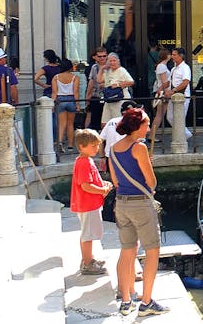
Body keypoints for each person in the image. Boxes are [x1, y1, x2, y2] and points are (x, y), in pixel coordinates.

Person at [110, 108, 169, 316]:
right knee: (152, 251)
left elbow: (116, 182)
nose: (149, 127)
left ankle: (126, 301)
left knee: (127, 251)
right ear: (137, 126)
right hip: (141, 204)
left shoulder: (114, 148)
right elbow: (152, 181)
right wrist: (148, 173)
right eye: (146, 124)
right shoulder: (139, 147)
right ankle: (146, 302)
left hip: (122, 204)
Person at [70, 128, 113, 275]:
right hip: (87, 205)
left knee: (90, 233)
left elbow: (92, 180)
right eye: (93, 146)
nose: (97, 148)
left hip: (90, 204)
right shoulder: (84, 163)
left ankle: (88, 259)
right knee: (88, 234)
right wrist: (103, 190)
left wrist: (103, 184)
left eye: (97, 145)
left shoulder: (86, 160)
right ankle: (87, 263)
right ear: (82, 146)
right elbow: (86, 185)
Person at [100, 101, 142, 170]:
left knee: (114, 180)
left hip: (110, 157)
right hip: (127, 157)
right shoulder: (134, 124)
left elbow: (100, 141)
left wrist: (102, 157)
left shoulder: (111, 121)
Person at [0, 48, 18, 145]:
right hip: (3, 103)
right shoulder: (7, 71)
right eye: (4, 58)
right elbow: (13, 88)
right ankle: (4, 151)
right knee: (5, 128)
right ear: (0, 59)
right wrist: (16, 101)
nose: (5, 60)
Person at [97, 52, 135, 126]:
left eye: (114, 61)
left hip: (120, 99)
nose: (112, 63)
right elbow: (99, 80)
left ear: (118, 61)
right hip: (109, 99)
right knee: (104, 123)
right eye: (110, 61)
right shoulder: (108, 71)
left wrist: (118, 85)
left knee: (119, 122)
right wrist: (102, 69)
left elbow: (131, 82)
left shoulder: (121, 70)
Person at [52, 58, 81, 153]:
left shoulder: (56, 77)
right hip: (71, 99)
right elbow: (76, 92)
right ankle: (70, 145)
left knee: (61, 124)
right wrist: (77, 104)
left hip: (60, 100)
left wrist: (53, 104)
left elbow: (54, 92)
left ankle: (60, 142)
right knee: (70, 124)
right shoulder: (75, 77)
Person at [164, 47, 192, 140]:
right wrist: (162, 89)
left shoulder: (185, 68)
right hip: (173, 96)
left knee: (179, 118)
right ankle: (185, 134)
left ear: (181, 56)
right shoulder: (173, 69)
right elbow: (169, 82)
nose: (172, 56)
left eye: (174, 55)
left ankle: (182, 136)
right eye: (172, 54)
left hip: (183, 97)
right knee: (170, 117)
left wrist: (173, 90)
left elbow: (185, 82)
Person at [148, 48, 171, 144]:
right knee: (159, 115)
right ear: (167, 55)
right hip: (162, 93)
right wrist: (166, 93)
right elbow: (164, 81)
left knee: (160, 115)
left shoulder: (161, 66)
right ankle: (151, 135)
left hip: (161, 92)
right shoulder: (162, 66)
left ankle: (151, 135)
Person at [84, 47, 108, 131]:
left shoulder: (111, 65)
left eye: (104, 56)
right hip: (96, 96)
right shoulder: (94, 67)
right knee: (95, 121)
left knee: (107, 121)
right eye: (100, 56)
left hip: (109, 97)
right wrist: (87, 97)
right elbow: (91, 82)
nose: (102, 58)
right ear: (96, 57)